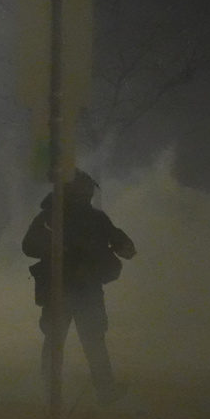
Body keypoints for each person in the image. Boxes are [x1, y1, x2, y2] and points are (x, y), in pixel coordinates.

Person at [22, 169, 136, 406]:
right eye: (83, 192)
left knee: (92, 341)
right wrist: (54, 249)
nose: (87, 196)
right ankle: (52, 395)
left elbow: (119, 241)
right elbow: (29, 245)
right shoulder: (50, 217)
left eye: (88, 192)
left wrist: (123, 245)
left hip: (87, 290)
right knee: (56, 342)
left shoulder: (95, 218)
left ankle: (104, 391)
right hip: (60, 289)